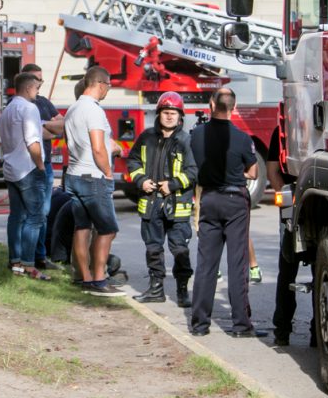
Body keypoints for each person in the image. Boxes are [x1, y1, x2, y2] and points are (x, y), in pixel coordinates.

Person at [189, 87, 264, 337]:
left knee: (206, 264)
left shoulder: (196, 135)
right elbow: (253, 173)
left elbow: (193, 166)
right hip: (235, 201)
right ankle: (241, 325)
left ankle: (199, 324)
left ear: (211, 105)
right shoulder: (242, 138)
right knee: (237, 262)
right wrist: (238, 173)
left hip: (208, 198)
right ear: (234, 107)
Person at [127, 92, 196, 307]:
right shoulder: (146, 137)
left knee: (180, 249)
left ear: (180, 116)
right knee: (153, 248)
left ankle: (182, 291)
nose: (169, 117)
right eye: (166, 113)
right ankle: (156, 289)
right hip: (151, 203)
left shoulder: (186, 140)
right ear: (159, 114)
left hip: (177, 205)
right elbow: (133, 161)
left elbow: (193, 171)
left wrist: (172, 184)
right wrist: (141, 181)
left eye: (173, 113)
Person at [63, 66, 125, 297]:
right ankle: (100, 279)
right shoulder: (94, 111)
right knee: (108, 230)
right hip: (93, 177)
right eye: (108, 85)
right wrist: (108, 172)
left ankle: (85, 278)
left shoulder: (73, 109)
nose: (108, 89)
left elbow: (71, 142)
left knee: (82, 228)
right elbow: (99, 147)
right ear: (100, 83)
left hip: (75, 174)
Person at [0, 72, 50, 281]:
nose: (38, 92)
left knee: (16, 216)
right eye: (37, 87)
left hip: (12, 169)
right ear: (29, 88)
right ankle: (29, 265)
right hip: (29, 169)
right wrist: (40, 166)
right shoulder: (29, 108)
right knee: (35, 217)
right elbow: (33, 141)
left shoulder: (7, 110)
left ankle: (16, 261)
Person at [267, 125, 315, 347]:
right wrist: (288, 201)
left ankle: (286, 330)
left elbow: (272, 170)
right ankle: (283, 328)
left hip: (309, 202)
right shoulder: (282, 130)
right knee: (288, 266)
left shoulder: (288, 128)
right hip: (293, 201)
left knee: (294, 269)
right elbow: (273, 170)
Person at [19, 63, 64, 270]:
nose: (39, 84)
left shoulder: (44, 102)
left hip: (45, 165)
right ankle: (29, 258)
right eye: (35, 80)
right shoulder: (23, 105)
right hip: (30, 166)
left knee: (44, 213)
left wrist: (45, 125)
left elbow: (62, 126)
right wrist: (47, 127)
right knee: (30, 214)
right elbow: (40, 134)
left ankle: (40, 256)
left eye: (40, 80)